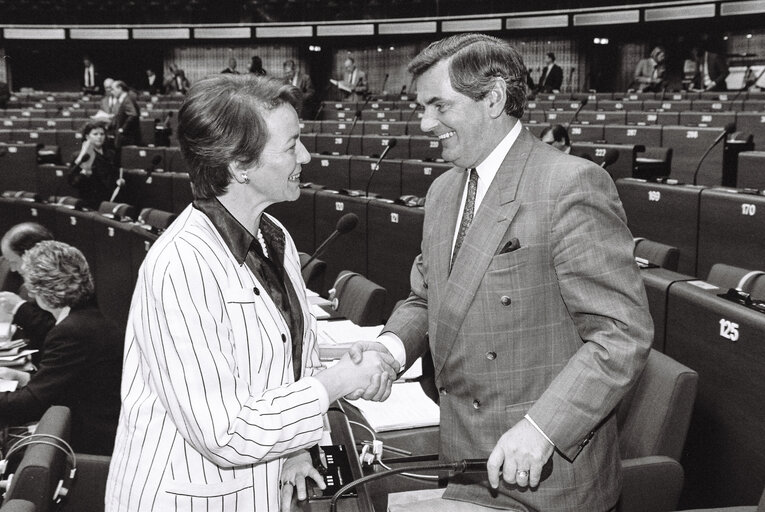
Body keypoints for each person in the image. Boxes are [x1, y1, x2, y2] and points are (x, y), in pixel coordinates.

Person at [350, 33, 652, 511]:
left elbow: (620, 335)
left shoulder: (569, 184)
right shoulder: (444, 192)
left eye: (438, 106)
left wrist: (543, 428)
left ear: (492, 98)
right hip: (464, 457)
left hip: (546, 479)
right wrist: (388, 352)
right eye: (421, 107)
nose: (425, 123)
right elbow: (427, 296)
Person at [105, 74, 398, 512]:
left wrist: (296, 450)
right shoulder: (181, 265)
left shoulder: (272, 235)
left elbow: (283, 366)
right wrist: (337, 382)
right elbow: (224, 435)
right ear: (238, 165)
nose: (305, 155)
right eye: (290, 145)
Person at [0, 241, 123, 456]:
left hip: (91, 443)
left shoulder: (72, 331)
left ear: (39, 289)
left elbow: (33, 403)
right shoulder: (87, 318)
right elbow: (67, 383)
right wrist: (21, 378)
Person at [0, 223, 56, 360]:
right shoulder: (16, 274)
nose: (12, 269)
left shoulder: (60, 282)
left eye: (14, 262)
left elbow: (55, 330)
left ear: (31, 256)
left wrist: (19, 307)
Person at [68, 121, 120, 209]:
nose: (99, 137)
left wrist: (119, 180)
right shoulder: (80, 156)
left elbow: (115, 173)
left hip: (110, 200)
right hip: (90, 202)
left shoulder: (111, 154)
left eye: (102, 134)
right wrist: (83, 175)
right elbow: (73, 182)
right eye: (95, 134)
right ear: (87, 137)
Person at [110, 80, 141, 149]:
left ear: (120, 88)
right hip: (125, 136)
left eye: (113, 89)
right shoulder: (123, 98)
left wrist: (123, 129)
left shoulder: (127, 99)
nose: (112, 92)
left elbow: (133, 114)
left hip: (128, 137)